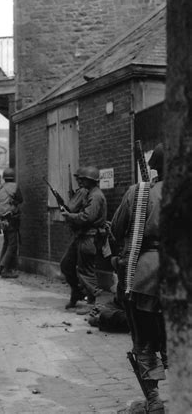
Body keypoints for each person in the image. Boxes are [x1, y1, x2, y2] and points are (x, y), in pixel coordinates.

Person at [110, 144, 166, 414]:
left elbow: (117, 229)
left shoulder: (138, 193)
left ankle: (154, 401)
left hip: (143, 274)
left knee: (144, 340)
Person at [61, 166, 107, 311]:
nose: (79, 181)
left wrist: (70, 216)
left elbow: (87, 217)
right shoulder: (88, 194)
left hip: (90, 237)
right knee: (66, 265)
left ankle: (92, 304)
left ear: (90, 181)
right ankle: (77, 292)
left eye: (83, 179)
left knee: (86, 271)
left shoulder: (96, 196)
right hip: (81, 236)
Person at [0, 167, 23, 279]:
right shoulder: (14, 187)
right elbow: (21, 199)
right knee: (13, 245)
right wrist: (14, 202)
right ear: (13, 177)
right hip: (11, 219)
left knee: (6, 243)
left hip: (1, 219)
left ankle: (2, 268)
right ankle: (5, 268)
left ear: (4, 178)